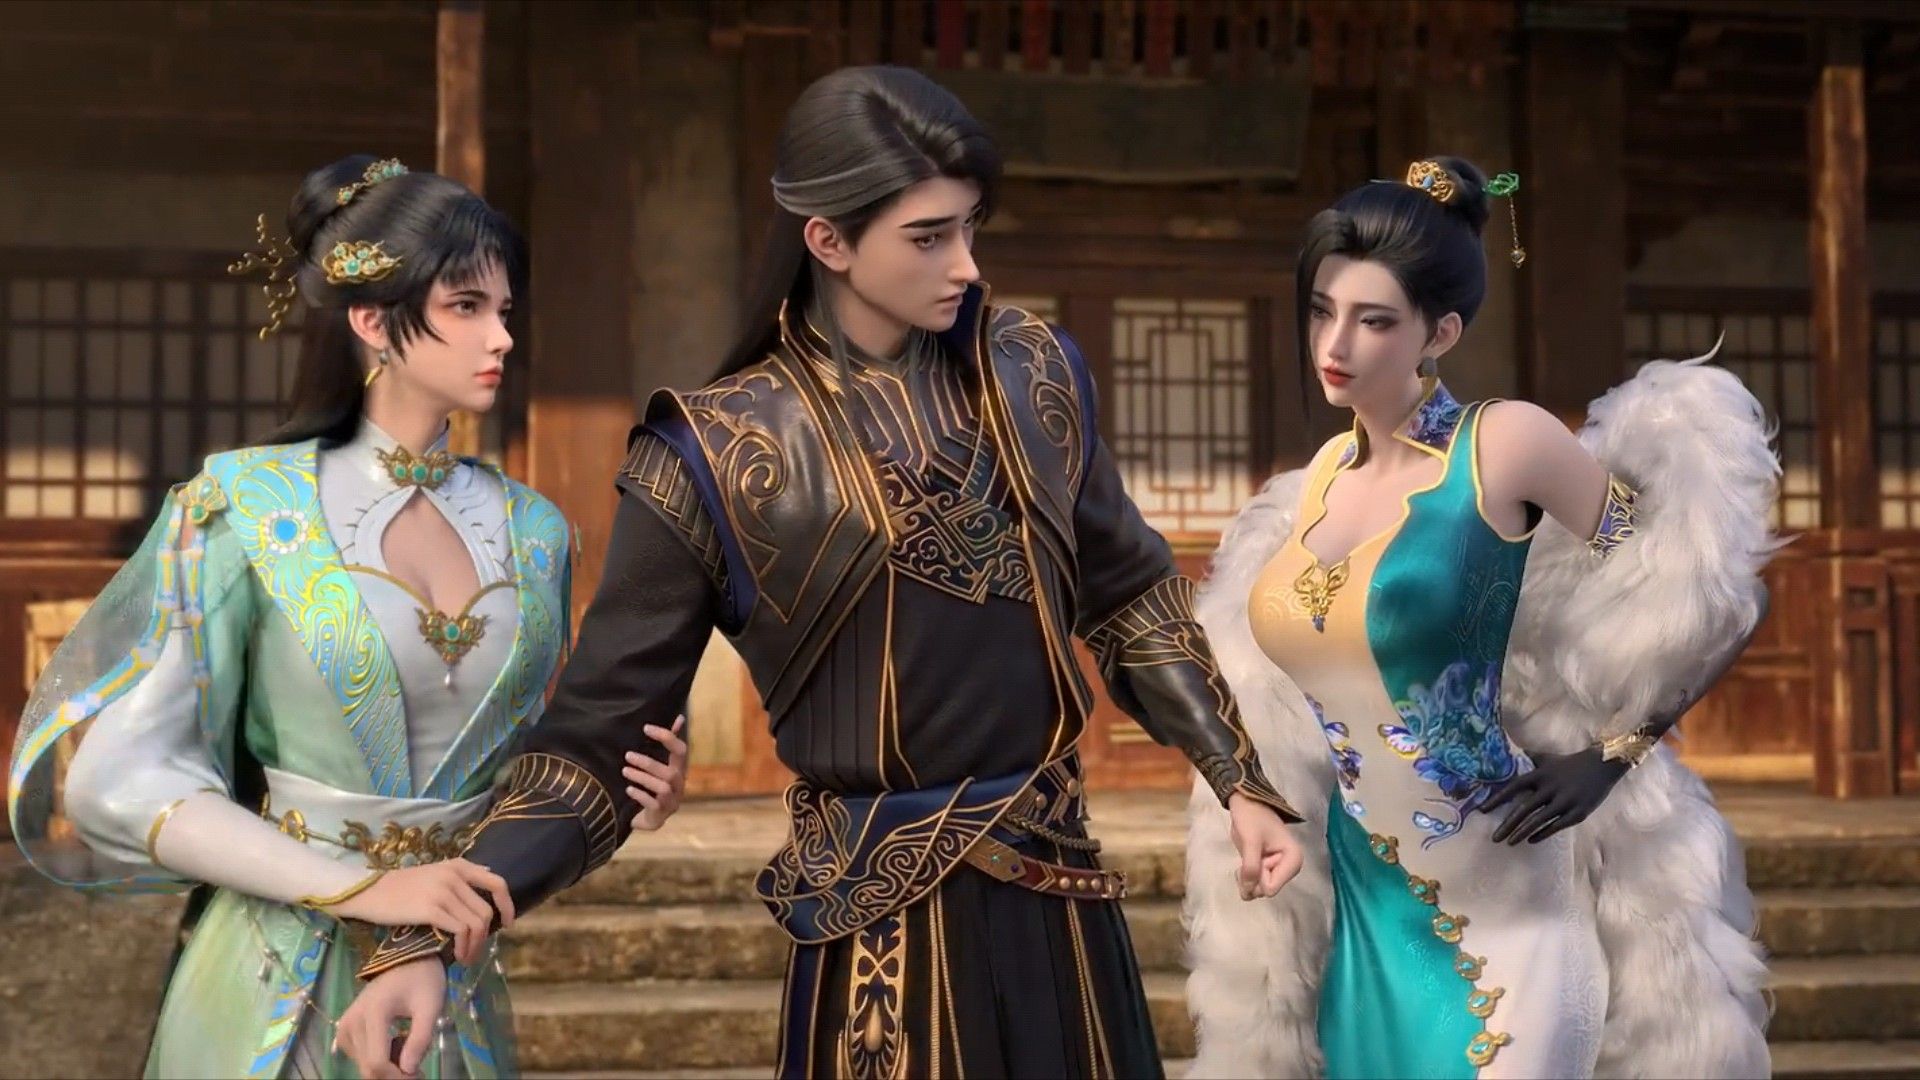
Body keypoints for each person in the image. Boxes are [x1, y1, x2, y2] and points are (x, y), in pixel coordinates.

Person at [340, 66, 1306, 1079]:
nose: (966, 264)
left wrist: (1237, 776)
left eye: (969, 227)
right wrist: (429, 935)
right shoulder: (711, 453)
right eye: (928, 238)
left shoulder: (1033, 371)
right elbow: (596, 746)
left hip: (1064, 907)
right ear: (829, 241)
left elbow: (1131, 596)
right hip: (878, 934)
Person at [6, 154, 688, 1079]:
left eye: (504, 309)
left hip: (447, 980)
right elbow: (115, 782)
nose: (500, 336)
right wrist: (365, 887)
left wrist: (607, 788)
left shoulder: (536, 531)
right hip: (271, 971)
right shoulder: (245, 505)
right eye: (465, 306)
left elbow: (525, 761)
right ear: (372, 321)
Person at [1182, 157, 1775, 1078]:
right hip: (1364, 904)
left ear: (1442, 331)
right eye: (1322, 311)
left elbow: (1716, 593)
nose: (1336, 342)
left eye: (1375, 320)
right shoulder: (1318, 482)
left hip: (1507, 890)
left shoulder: (1504, 446)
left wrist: (1616, 753)